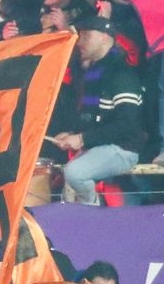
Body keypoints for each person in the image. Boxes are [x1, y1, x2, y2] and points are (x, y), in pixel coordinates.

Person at [54, 17, 143, 204]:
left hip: (123, 148)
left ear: (104, 37)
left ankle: (90, 209)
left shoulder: (122, 73)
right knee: (69, 178)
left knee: (75, 172)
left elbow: (128, 125)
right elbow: (92, 118)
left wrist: (81, 139)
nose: (80, 41)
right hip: (99, 146)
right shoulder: (95, 71)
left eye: (86, 36)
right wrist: (73, 135)